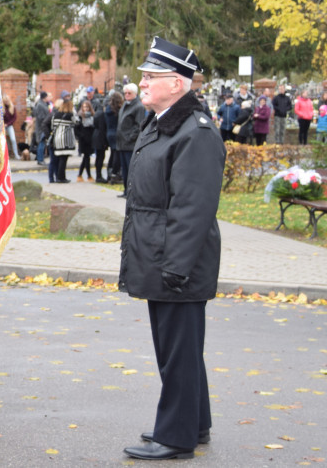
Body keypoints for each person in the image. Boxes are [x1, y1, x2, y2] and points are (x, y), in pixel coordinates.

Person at [120, 37, 224, 461]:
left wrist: (176, 268)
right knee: (179, 349)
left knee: (178, 352)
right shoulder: (162, 122)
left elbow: (192, 209)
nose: (142, 82)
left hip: (175, 261)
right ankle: (194, 423)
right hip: (159, 254)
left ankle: (176, 436)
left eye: (151, 76)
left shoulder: (193, 133)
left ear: (177, 84)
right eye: (143, 75)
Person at [116, 84, 145, 192]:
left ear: (135, 94)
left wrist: (129, 138)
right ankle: (125, 190)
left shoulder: (138, 107)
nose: (127, 95)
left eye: (129, 93)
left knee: (130, 169)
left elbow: (138, 126)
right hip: (121, 143)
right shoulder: (125, 105)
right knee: (124, 169)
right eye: (125, 93)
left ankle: (131, 191)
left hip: (129, 143)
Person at [48, 99, 76, 184]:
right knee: (64, 159)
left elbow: (52, 125)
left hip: (57, 139)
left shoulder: (56, 114)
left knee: (60, 159)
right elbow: (76, 122)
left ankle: (60, 177)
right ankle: (61, 177)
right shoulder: (70, 115)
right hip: (66, 140)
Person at [75, 100, 96, 181]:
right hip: (83, 140)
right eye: (84, 107)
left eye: (87, 107)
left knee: (86, 158)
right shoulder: (79, 117)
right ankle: (89, 176)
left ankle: (80, 175)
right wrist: (81, 136)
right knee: (87, 157)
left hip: (90, 140)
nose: (85, 109)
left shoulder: (92, 116)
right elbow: (76, 129)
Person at [105, 91, 123, 183]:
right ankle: (114, 173)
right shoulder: (119, 110)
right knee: (117, 154)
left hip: (109, 132)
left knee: (112, 153)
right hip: (116, 132)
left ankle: (109, 172)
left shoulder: (108, 109)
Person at [92, 101, 109, 183]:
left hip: (95, 136)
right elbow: (102, 128)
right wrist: (104, 142)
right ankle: (99, 176)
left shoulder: (96, 113)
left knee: (98, 157)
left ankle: (98, 175)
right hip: (100, 137)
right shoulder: (102, 114)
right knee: (101, 157)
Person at [32, 91, 51, 165]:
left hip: (42, 127)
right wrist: (47, 120)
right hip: (41, 127)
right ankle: (40, 159)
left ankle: (41, 159)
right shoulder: (40, 105)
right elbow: (40, 117)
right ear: (45, 97)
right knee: (41, 143)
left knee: (42, 143)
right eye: (47, 97)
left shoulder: (43, 104)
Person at [2, 93, 18, 158]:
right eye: (5, 101)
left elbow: (14, 118)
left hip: (9, 125)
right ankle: (6, 155)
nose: (7, 102)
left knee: (13, 139)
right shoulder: (2, 108)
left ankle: (16, 154)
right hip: (3, 126)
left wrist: (8, 124)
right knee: (4, 140)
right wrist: (3, 124)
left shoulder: (12, 107)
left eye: (7, 101)